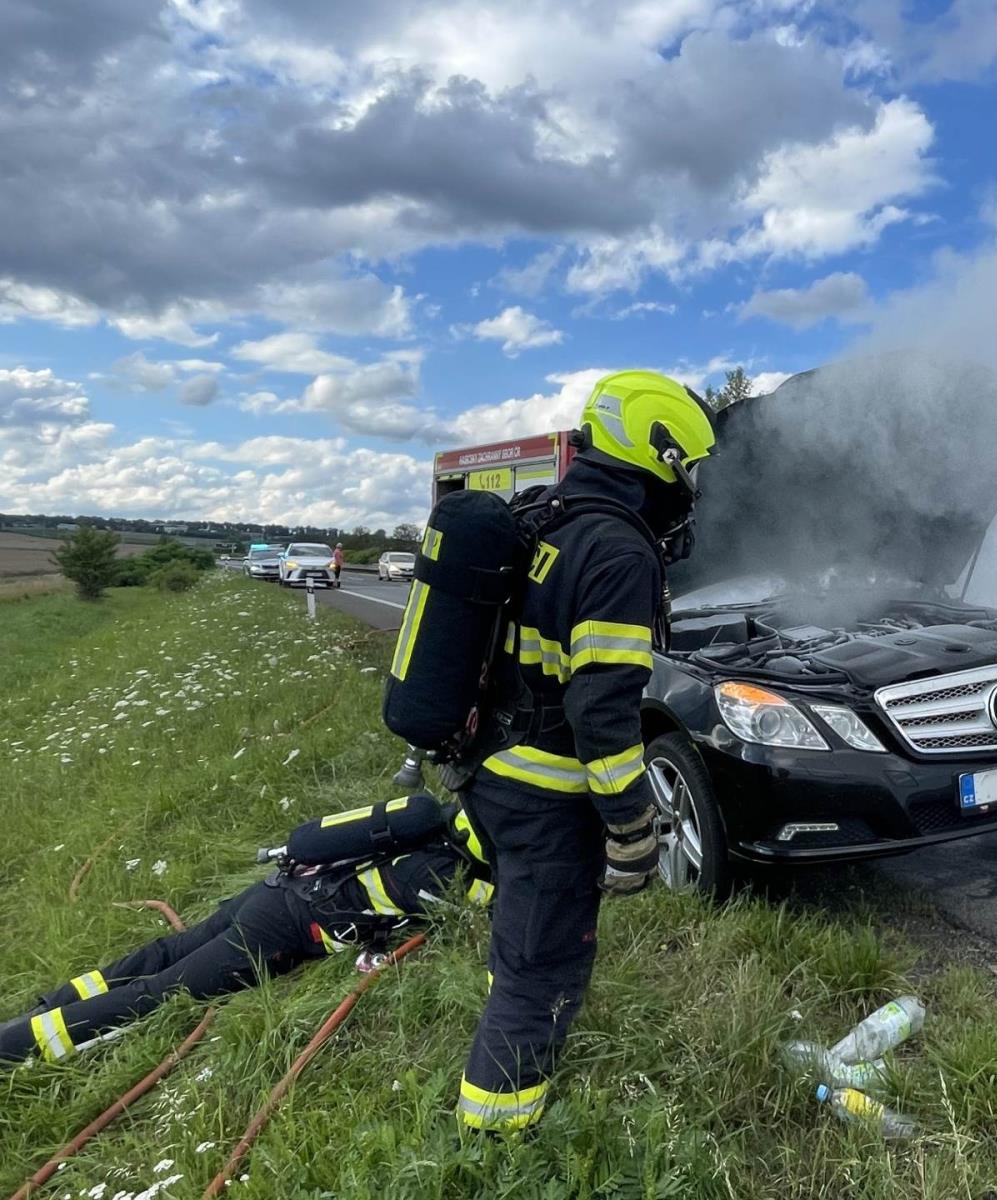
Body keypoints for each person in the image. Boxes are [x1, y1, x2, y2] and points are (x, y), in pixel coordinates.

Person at [455, 370, 715, 1134]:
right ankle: (497, 1142)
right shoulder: (619, 553)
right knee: (543, 971)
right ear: (659, 456)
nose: (690, 492)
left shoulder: (549, 517)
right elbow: (602, 716)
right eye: (687, 473)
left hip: (495, 773)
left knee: (523, 941)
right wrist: (633, 830)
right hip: (546, 795)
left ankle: (508, 1071)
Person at [1, 802, 491, 1067]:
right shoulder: (438, 876)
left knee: (166, 950)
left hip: (272, 891)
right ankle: (18, 1047)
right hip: (278, 929)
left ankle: (47, 1007)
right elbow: (480, 913)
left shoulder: (426, 821)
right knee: (161, 992)